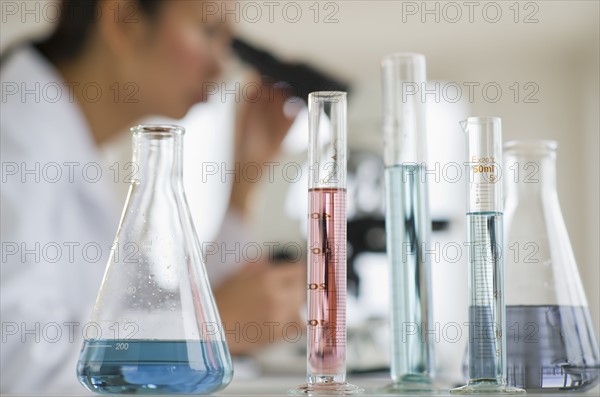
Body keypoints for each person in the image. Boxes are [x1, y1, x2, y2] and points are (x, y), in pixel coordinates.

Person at [0, 0, 304, 393]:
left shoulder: (72, 147)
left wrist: (244, 181)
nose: (220, 66)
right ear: (123, 20)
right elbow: (16, 361)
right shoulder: (13, 141)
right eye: (209, 31)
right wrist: (217, 324)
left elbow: (144, 311)